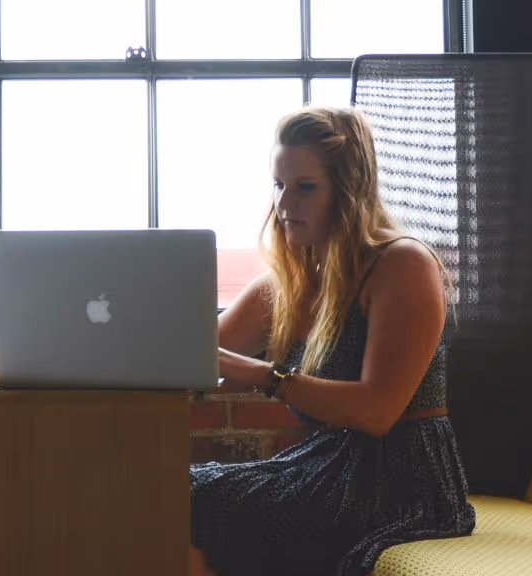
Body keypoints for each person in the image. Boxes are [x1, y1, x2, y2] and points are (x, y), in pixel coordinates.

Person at [191, 106, 475, 576]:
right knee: (173, 496)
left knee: (194, 503)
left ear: (348, 193)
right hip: (327, 465)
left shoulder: (401, 264)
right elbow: (190, 351)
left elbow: (377, 411)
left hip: (404, 483)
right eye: (279, 185)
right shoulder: (290, 283)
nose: (285, 205)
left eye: (306, 188)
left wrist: (263, 375)